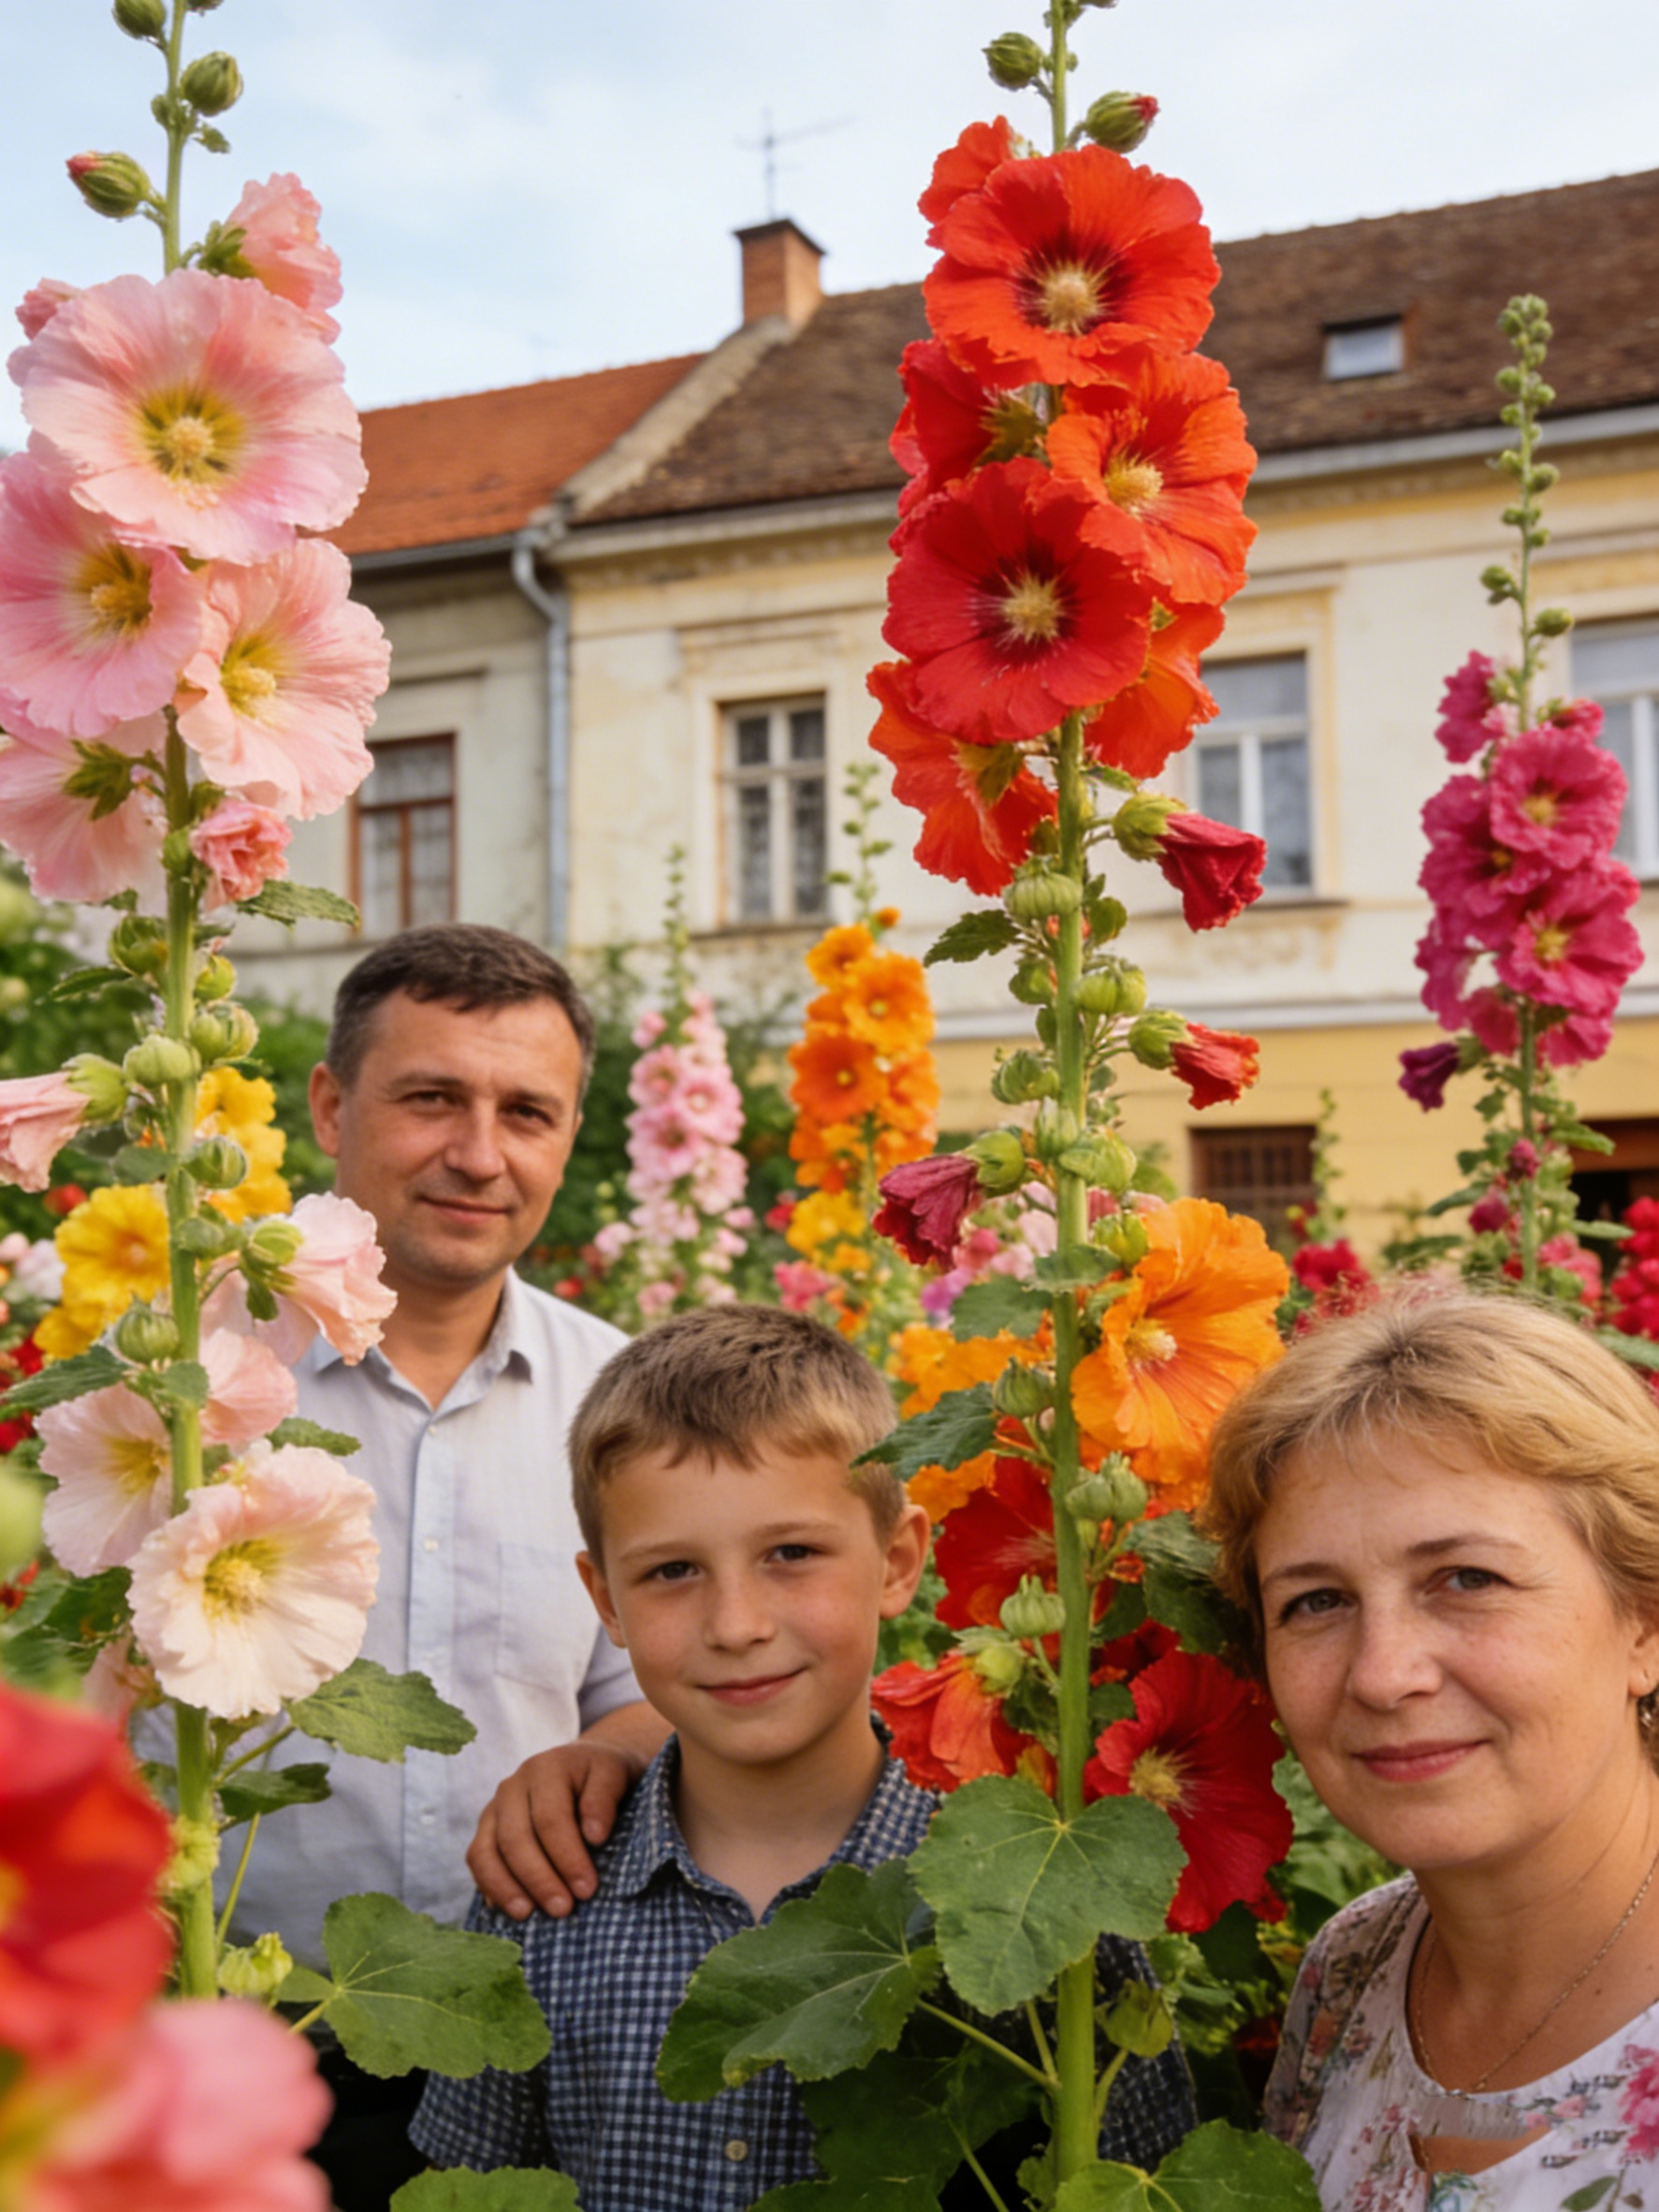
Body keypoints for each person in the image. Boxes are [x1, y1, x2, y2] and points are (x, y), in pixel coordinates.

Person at [410, 1304, 1196, 2207]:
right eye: (672, 1571)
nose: (737, 1626)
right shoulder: (542, 1894)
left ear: (898, 1559)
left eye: (791, 1553)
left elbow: (1135, 2177)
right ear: (606, 1599)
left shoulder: (1026, 1893)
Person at [234, 924, 670, 2209]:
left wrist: (610, 1750)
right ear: (331, 1104)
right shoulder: (197, 1383)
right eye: (432, 1098)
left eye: (526, 1112)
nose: (480, 1154)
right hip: (223, 2038)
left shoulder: (628, 1399)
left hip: (526, 2057)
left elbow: (658, 1683)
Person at [1205, 1286, 1659, 2210]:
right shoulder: (1352, 1968)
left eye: (1466, 1578)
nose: (1383, 1675)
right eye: (1316, 1601)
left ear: (1644, 1622)